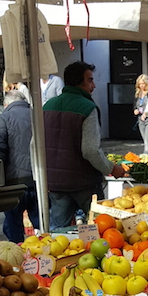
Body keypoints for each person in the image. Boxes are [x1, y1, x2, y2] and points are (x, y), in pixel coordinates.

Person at [43, 61, 123, 228]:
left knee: (58, 233)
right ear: (78, 83)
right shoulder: (87, 107)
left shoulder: (47, 106)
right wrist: (111, 168)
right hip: (83, 182)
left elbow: (34, 145)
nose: (93, 85)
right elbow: (90, 150)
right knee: (100, 227)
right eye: (90, 80)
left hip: (55, 183)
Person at [0, 83, 40, 243]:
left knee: (13, 226)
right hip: (39, 181)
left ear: (6, 104)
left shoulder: (2, 118)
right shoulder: (39, 116)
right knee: (41, 225)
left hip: (13, 184)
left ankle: (19, 259)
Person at [134, 74, 148, 153]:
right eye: (140, 84)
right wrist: (135, 110)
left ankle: (145, 156)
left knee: (147, 141)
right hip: (140, 119)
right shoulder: (137, 94)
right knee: (147, 141)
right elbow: (135, 105)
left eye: (143, 84)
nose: (141, 86)